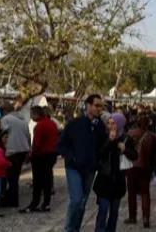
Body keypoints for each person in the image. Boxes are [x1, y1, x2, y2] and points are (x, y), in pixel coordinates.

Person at [59, 94, 108, 232]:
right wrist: (71, 156)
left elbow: (102, 147)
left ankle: (76, 228)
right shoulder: (74, 124)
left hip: (90, 168)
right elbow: (61, 144)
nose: (99, 109)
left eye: (101, 106)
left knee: (82, 202)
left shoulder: (99, 127)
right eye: (97, 105)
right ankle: (68, 229)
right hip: (74, 167)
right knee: (76, 199)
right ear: (88, 106)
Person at [93, 113, 137, 232]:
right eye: (109, 123)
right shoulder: (104, 137)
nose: (110, 126)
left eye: (113, 123)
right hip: (104, 179)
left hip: (118, 181)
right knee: (103, 210)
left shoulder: (126, 139)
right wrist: (109, 141)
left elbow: (134, 156)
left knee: (114, 212)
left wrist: (125, 149)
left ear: (120, 124)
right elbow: (100, 155)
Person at [21, 106, 59, 213]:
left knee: (37, 181)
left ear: (36, 114)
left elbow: (36, 144)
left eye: (32, 114)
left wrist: (30, 156)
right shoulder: (52, 123)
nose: (31, 117)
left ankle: (34, 203)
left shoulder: (39, 126)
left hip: (41, 156)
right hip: (51, 154)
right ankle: (46, 204)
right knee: (47, 181)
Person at [125, 115, 156, 228]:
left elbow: (126, 149)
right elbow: (155, 153)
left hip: (131, 166)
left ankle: (132, 216)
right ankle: (146, 218)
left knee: (131, 192)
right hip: (145, 167)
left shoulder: (130, 133)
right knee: (145, 192)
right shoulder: (152, 137)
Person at [0, 99, 30, 208]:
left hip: (12, 150)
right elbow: (28, 135)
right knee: (15, 176)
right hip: (23, 149)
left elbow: (4, 134)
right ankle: (14, 200)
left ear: (4, 111)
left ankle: (9, 200)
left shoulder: (5, 119)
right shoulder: (23, 120)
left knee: (9, 176)